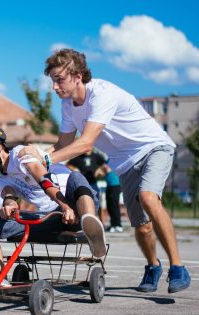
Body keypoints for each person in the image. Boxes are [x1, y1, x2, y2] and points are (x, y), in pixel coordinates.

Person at [35, 48, 190, 293]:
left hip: (153, 147)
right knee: (141, 226)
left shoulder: (101, 94)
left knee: (149, 198)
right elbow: (63, 145)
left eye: (59, 79)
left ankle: (178, 267)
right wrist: (33, 155)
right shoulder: (67, 105)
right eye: (52, 80)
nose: (55, 86)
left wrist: (45, 158)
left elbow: (85, 143)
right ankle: (153, 266)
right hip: (125, 162)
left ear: (77, 76)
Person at [0, 125, 105, 291]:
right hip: (51, 218)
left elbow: (43, 178)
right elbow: (10, 196)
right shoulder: (3, 178)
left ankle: (93, 232)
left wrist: (65, 205)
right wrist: (9, 206)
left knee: (76, 177)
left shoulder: (21, 154)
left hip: (77, 206)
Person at [102, 164, 123, 232]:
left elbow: (108, 170)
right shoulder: (108, 160)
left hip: (114, 185)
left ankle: (118, 225)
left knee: (114, 205)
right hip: (109, 185)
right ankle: (113, 225)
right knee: (110, 206)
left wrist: (103, 168)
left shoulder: (112, 159)